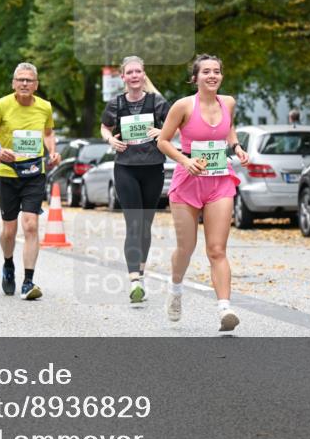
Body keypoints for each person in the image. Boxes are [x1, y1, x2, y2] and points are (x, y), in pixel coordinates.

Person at [157, 55, 249, 332]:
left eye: (217, 72)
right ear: (195, 77)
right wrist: (185, 161)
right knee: (186, 249)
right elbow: (163, 140)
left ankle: (225, 309)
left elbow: (228, 128)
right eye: (206, 72)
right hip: (188, 182)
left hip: (219, 180)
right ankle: (175, 290)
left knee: (217, 249)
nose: (212, 76)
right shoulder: (183, 106)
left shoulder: (228, 102)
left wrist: (236, 148)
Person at [99, 56, 170, 303]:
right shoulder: (116, 104)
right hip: (126, 167)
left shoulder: (157, 102)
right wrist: (110, 140)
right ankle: (134, 281)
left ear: (143, 74)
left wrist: (163, 132)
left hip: (152, 166)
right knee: (134, 223)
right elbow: (104, 127)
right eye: (129, 72)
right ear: (123, 77)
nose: (134, 76)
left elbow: (177, 125)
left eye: (138, 71)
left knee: (146, 223)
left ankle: (140, 269)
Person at [0, 63, 61, 300]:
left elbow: (48, 133)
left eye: (29, 80)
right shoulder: (1, 105)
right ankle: (8, 264)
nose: (24, 84)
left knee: (30, 225)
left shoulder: (45, 107)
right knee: (9, 230)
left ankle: (28, 281)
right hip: (7, 173)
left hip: (33, 173)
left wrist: (53, 151)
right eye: (20, 80)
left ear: (36, 85)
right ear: (13, 83)